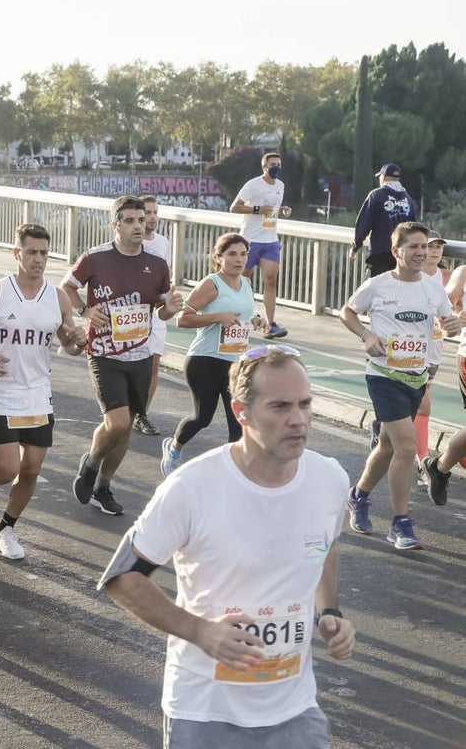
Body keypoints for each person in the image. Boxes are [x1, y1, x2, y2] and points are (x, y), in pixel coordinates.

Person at [99, 346, 356, 749]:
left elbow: (326, 544)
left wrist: (329, 612)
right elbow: (122, 577)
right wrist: (200, 631)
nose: (298, 420)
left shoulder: (330, 479)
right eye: (280, 407)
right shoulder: (193, 487)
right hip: (206, 714)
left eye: (305, 404)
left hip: (295, 711)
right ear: (241, 412)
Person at [0, 224, 84, 559]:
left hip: (37, 392)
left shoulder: (57, 297)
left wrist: (78, 342)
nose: (38, 260)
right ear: (17, 254)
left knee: (31, 467)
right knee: (7, 469)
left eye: (44, 253)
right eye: (31, 252)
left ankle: (6, 530)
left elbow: (67, 344)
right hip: (1, 392)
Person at [341, 222, 460, 550]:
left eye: (425, 247)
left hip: (416, 378)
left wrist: (451, 324)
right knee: (407, 449)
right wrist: (366, 336)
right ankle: (400, 524)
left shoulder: (434, 288)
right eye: (414, 247)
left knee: (389, 448)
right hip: (383, 376)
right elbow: (347, 311)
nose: (421, 252)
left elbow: (446, 324)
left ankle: (358, 496)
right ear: (397, 251)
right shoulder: (378, 286)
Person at [61, 195, 183, 516]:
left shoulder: (157, 264)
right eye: (129, 221)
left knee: (125, 427)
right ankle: (90, 464)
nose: (138, 226)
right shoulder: (95, 258)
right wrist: (85, 311)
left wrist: (169, 308)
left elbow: (162, 310)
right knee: (115, 423)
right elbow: (67, 288)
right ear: (115, 225)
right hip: (104, 352)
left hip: (139, 353)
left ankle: (103, 485)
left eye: (141, 220)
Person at [161, 233, 268, 476]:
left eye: (243, 254)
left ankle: (233, 475)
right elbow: (183, 319)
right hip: (205, 360)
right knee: (202, 418)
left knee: (238, 423)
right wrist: (217, 318)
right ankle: (175, 448)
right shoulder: (212, 284)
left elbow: (239, 317)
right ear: (218, 258)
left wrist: (256, 320)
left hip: (236, 364)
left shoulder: (247, 283)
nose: (239, 260)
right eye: (232, 254)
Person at [230, 152, 292, 339]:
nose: (276, 167)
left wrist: (282, 210)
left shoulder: (280, 185)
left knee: (270, 281)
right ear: (264, 166)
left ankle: (271, 324)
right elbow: (234, 207)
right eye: (273, 164)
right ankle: (236, 318)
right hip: (250, 240)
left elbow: (271, 209)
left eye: (279, 164)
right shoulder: (253, 184)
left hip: (270, 240)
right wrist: (258, 210)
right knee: (241, 282)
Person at [414, 232, 450, 485]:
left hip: (436, 349)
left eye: (439, 247)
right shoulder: (413, 279)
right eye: (430, 247)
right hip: (415, 352)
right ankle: (422, 462)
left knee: (413, 406)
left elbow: (451, 309)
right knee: (424, 405)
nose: (435, 251)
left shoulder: (443, 277)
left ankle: (383, 427)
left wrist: (456, 320)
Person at [135, 194, 172, 435]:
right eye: (147, 213)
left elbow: (165, 277)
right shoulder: (130, 241)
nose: (152, 217)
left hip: (156, 313)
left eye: (155, 213)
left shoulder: (163, 242)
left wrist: (168, 300)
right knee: (133, 364)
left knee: (153, 365)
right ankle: (125, 407)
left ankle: (142, 414)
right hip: (132, 313)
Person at [351, 163, 419, 278]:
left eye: (380, 176)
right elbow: (413, 227)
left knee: (377, 291)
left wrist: (355, 246)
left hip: (380, 253)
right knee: (397, 291)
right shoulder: (408, 199)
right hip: (401, 255)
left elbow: (363, 224)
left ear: (384, 177)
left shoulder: (376, 196)